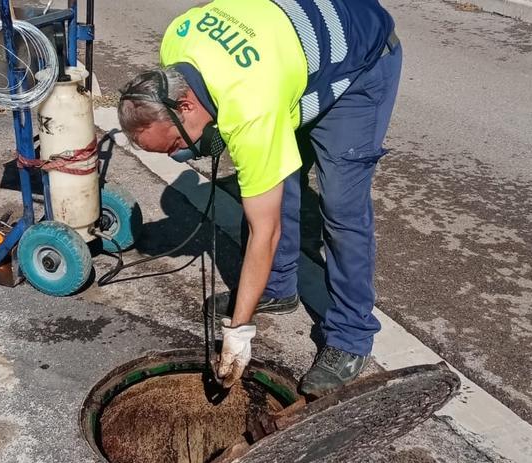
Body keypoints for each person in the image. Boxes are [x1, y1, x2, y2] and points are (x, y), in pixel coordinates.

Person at [117, 0, 402, 395]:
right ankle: (277, 286)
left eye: (174, 147)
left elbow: (263, 229)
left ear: (184, 105)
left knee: (342, 208)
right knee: (274, 180)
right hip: (289, 63)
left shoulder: (250, 109)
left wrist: (239, 331)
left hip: (357, 63)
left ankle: (351, 336)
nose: (183, 155)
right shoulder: (176, 43)